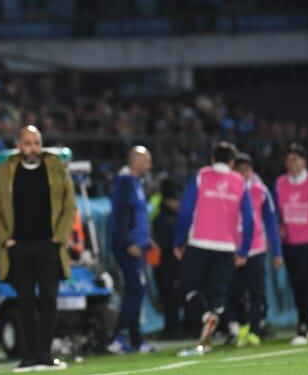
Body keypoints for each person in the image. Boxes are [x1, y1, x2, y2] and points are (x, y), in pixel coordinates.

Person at [0, 125, 76, 373]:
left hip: (49, 246)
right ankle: (29, 357)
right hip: (19, 246)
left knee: (49, 299)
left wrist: (59, 238)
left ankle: (45, 355)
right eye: (27, 143)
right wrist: (6, 239)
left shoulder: (56, 166)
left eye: (36, 142)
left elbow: (70, 205)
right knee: (25, 302)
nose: (32, 148)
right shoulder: (6, 170)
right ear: (19, 145)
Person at [174, 142, 254, 355]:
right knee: (217, 295)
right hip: (227, 247)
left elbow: (186, 210)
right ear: (232, 162)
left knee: (190, 289)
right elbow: (249, 219)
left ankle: (204, 320)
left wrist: (179, 241)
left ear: (212, 159)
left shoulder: (201, 176)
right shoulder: (239, 181)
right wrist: (244, 250)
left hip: (199, 243)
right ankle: (211, 327)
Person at [226, 153, 282, 347]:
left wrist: (276, 252)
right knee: (233, 293)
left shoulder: (260, 191)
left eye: (247, 169)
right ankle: (243, 325)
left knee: (257, 292)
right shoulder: (227, 190)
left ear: (252, 171)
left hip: (256, 249)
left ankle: (255, 332)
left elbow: (271, 223)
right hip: (232, 249)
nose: (244, 173)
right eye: (240, 169)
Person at [108, 146, 155, 354]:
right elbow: (120, 217)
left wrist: (147, 239)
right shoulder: (126, 182)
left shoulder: (135, 183)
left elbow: (135, 217)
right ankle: (118, 337)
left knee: (138, 290)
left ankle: (135, 338)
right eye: (146, 160)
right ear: (135, 161)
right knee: (135, 289)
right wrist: (129, 243)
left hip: (137, 245)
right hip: (127, 247)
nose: (149, 165)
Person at [274, 143, 308, 346]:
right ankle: (305, 321)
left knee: (307, 283)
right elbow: (274, 213)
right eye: (288, 160)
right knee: (296, 284)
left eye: (295, 159)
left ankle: (303, 324)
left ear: (304, 161)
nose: (291, 164)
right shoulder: (280, 184)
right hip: (290, 243)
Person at [152, 179, 183, 339]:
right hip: (168, 263)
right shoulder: (171, 220)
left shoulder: (160, 217)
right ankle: (173, 328)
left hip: (164, 263)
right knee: (169, 297)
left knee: (170, 297)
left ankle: (173, 328)